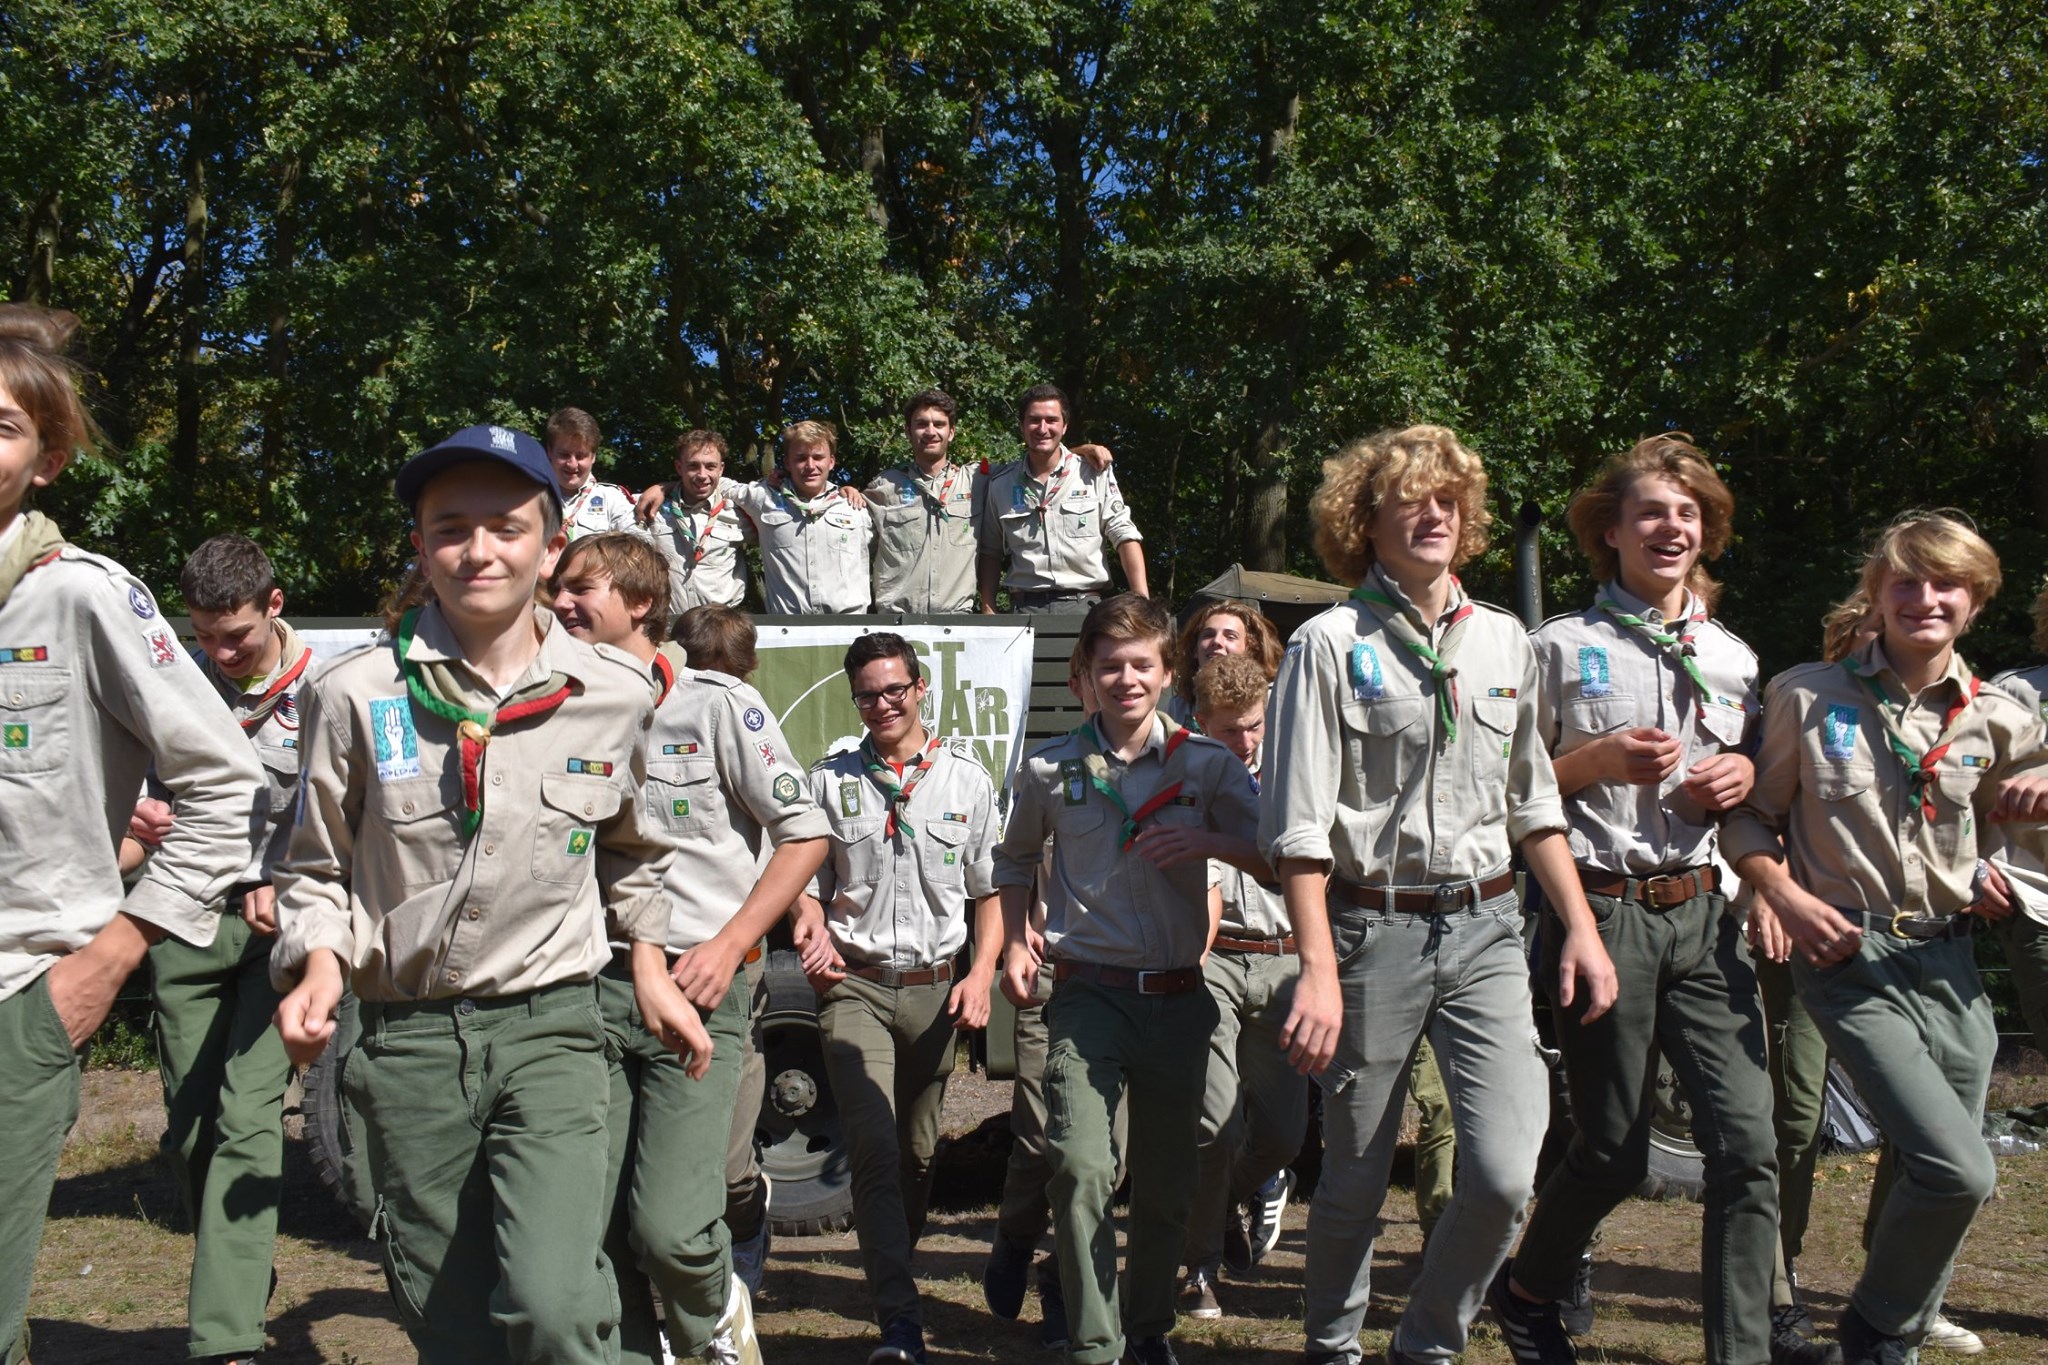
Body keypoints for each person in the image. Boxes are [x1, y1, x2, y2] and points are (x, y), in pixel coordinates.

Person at [270, 424, 713, 1365]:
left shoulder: (615, 691)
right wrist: (316, 961)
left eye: (507, 527)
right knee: (458, 1333)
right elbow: (313, 865)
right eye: (450, 528)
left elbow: (634, 850)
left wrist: (652, 966)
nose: (479, 550)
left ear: (552, 547)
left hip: (551, 1030)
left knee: (554, 1308)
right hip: (405, 1044)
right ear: (422, 547)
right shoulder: (353, 697)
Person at [1259, 424, 1619, 1365]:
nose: (1433, 513)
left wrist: (1579, 927)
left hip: (1491, 926)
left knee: (1503, 1172)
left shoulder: (1505, 638)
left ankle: (1428, 1344)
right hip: (1370, 930)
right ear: (1361, 519)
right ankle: (1333, 1348)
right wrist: (1319, 971)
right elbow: (1298, 832)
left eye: (1448, 500)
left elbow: (1534, 802)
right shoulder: (1327, 645)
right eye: (1410, 498)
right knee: (1353, 1179)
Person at [0, 304, 264, 1365]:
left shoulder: (82, 600)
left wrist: (110, 956)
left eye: (2, 426)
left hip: (21, 989)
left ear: (49, 459)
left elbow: (224, 785)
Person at [1723, 512, 2048, 1365]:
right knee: (1963, 1167)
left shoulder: (2004, 716)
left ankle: (1890, 1340)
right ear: (1876, 593)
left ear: (1975, 602)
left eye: (1947, 584)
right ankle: (1872, 1327)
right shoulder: (1807, 693)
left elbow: (2018, 804)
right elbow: (1748, 824)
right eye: (1905, 581)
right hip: (1849, 956)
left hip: (1951, 962)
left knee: (1928, 1170)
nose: (1926, 598)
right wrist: (1785, 895)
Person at [1504, 436, 1793, 1365]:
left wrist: (1747, 770)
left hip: (1708, 913)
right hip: (1603, 912)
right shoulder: (1556, 649)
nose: (1672, 528)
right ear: (1611, 531)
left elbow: (1756, 796)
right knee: (1614, 1150)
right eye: (1652, 513)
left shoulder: (1738, 660)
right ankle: (1528, 1289)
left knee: (1750, 1145)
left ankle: (1741, 1351)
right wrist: (1595, 762)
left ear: (1705, 532)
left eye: (1688, 513)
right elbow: (1509, 798)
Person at [552, 531, 828, 1365]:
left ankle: (715, 1312)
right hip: (588, 983)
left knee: (670, 1223)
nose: (561, 603)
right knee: (592, 1227)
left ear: (640, 602)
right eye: (556, 589)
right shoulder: (557, 706)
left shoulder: (715, 703)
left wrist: (734, 941)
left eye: (581, 588)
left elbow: (804, 834)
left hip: (700, 983)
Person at [995, 592, 1267, 1365]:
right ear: (1084, 673)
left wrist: (1208, 835)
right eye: (1109, 665)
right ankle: (1094, 1341)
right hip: (1086, 996)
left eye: (1141, 664)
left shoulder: (1206, 764)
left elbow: (1275, 853)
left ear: (1168, 670)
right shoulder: (1050, 768)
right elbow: (1013, 858)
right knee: (1081, 1165)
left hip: (1179, 999)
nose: (1126, 679)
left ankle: (1147, 1329)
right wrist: (1017, 937)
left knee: (1167, 1181)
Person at [790, 632, 1003, 1365]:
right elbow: (804, 886)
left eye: (893, 690)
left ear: (920, 688)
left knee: (915, 1154)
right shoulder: (830, 781)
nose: (882, 704)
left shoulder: (968, 781)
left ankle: (893, 1267)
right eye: (867, 695)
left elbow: (990, 892)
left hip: (937, 993)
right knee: (876, 1148)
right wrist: (809, 927)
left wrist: (982, 973)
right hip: (855, 986)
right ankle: (900, 1321)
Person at [145, 534, 312, 1364]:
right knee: (189, 1131)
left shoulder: (324, 687)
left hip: (276, 931)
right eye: (203, 635)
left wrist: (295, 877)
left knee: (249, 1119)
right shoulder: (175, 679)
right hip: (180, 917)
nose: (219, 652)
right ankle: (242, 1266)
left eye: (234, 635)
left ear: (273, 605)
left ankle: (226, 1338)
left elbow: (353, 808)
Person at [1177, 653, 1310, 1320]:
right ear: (1201, 723)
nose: (1246, 742)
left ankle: (1223, 1199)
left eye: (1254, 726)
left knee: (1283, 1136)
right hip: (1218, 962)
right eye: (1230, 731)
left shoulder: (1295, 773)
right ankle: (1197, 1267)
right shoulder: (1186, 778)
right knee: (1213, 1121)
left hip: (1286, 961)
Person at [670, 599, 774, 1289]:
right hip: (637, 963)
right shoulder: (631, 705)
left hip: (721, 963)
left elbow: (796, 825)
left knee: (725, 1162)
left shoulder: (734, 711)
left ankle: (745, 1214)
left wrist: (737, 939)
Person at [868, 389, 1114, 615]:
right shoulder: (884, 487)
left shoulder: (981, 479)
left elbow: (1042, 460)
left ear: (951, 432)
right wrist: (847, 490)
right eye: (921, 424)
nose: (931, 431)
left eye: (939, 424)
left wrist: (1082, 450)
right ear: (907, 431)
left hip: (956, 622)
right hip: (895, 619)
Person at [977, 385, 1145, 614]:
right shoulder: (1001, 485)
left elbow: (1124, 534)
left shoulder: (1093, 473)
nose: (1042, 428)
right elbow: (990, 550)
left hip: (1086, 607)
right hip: (1024, 609)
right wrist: (989, 608)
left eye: (1051, 420)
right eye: (1034, 420)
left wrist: (1142, 601)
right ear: (1022, 426)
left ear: (1064, 426)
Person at [640, 430, 753, 618]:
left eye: (710, 466)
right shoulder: (652, 509)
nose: (702, 475)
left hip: (721, 625)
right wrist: (662, 487)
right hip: (666, 625)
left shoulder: (739, 512)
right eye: (693, 466)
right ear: (679, 467)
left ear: (721, 469)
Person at [1165, 597, 1284, 728]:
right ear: (1194, 649)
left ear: (1250, 649)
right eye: (1208, 635)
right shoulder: (1179, 707)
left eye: (1230, 636)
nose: (1217, 641)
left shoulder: (1272, 700)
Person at [547, 407, 639, 540]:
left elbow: (638, 551)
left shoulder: (613, 500)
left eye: (580, 456)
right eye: (564, 455)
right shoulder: (529, 496)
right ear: (549, 451)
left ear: (593, 456)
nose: (572, 464)